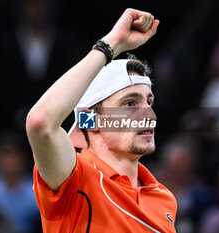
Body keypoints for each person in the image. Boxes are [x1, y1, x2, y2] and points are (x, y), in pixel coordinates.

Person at [26, 8, 177, 233]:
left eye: (149, 102)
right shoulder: (75, 179)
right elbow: (40, 122)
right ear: (91, 120)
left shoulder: (164, 199)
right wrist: (111, 45)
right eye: (130, 104)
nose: (149, 115)